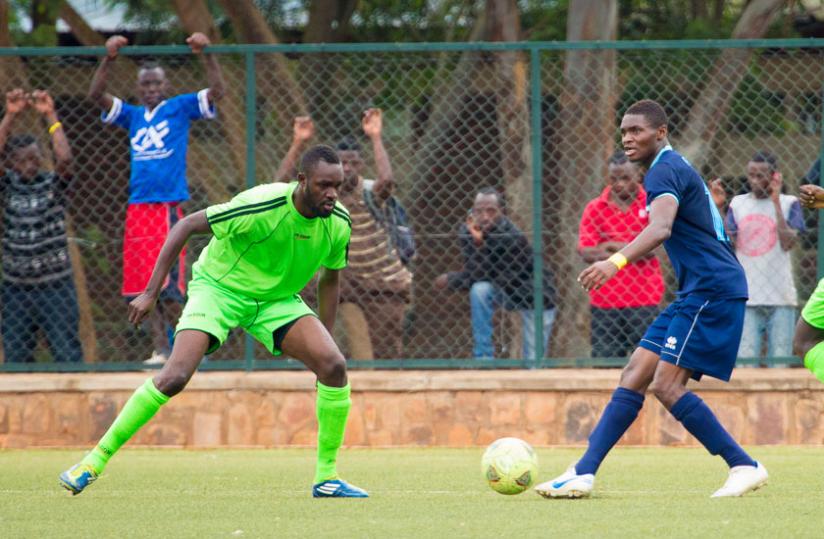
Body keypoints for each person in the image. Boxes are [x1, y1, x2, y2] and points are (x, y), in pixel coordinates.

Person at [59, 145, 368, 498]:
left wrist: (323, 336)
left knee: (333, 366)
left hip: (276, 300)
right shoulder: (262, 205)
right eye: (323, 185)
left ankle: (326, 478)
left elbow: (331, 279)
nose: (332, 194)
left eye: (337, 186)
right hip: (219, 289)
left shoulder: (339, 222)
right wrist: (151, 291)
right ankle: (92, 462)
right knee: (175, 376)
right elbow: (187, 225)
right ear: (302, 180)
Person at [535, 100, 767, 499]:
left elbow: (660, 229)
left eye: (636, 131)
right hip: (696, 291)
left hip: (712, 291)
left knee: (666, 385)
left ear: (660, 133)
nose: (627, 138)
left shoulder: (663, 170)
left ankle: (743, 465)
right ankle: (583, 472)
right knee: (634, 374)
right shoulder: (671, 167)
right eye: (624, 132)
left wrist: (614, 262)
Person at [89, 32, 225, 365]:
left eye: (156, 83)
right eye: (145, 84)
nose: (150, 89)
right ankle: (160, 349)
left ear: (166, 86)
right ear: (138, 88)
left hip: (168, 208)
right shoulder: (134, 115)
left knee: (172, 288)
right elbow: (96, 95)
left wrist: (206, 53)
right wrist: (108, 58)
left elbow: (218, 91)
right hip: (138, 208)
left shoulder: (178, 108)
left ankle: (188, 350)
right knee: (145, 284)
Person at [275, 111, 412, 359]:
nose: (348, 168)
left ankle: (386, 371)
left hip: (376, 276)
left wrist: (376, 136)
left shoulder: (368, 191)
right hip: (337, 273)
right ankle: (299, 355)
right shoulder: (318, 193)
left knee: (387, 349)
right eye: (343, 163)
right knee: (295, 289)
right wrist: (298, 142)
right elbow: (279, 186)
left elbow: (387, 181)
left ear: (361, 165)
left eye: (353, 163)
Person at [0, 88, 82, 363]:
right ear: (10, 163)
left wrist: (50, 115)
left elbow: (65, 160)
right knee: (16, 356)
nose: (30, 164)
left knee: (67, 354)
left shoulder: (52, 185)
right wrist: (10, 115)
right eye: (22, 160)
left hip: (55, 286)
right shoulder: (8, 186)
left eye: (35, 158)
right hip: (16, 288)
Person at [434, 188, 556, 360]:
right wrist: (477, 242)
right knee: (480, 290)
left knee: (534, 361)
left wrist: (453, 280)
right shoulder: (468, 231)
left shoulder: (511, 236)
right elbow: (476, 274)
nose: (484, 217)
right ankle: (483, 358)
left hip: (533, 294)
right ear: (472, 211)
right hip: (502, 290)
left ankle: (533, 367)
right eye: (479, 211)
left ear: (501, 212)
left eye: (491, 211)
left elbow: (498, 276)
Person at [578, 150, 664, 358]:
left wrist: (610, 246)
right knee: (605, 362)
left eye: (626, 178)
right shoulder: (595, 207)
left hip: (645, 298)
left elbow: (656, 248)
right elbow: (586, 251)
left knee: (647, 361)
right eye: (614, 179)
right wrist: (636, 247)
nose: (619, 184)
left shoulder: (652, 203)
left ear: (638, 175)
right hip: (604, 300)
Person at [723, 151, 804, 361]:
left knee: (780, 359)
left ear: (774, 176)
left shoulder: (790, 203)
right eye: (751, 175)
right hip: (747, 294)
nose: (754, 180)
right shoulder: (738, 203)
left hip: (781, 295)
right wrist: (718, 207)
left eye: (761, 175)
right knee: (745, 360)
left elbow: (788, 243)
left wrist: (775, 202)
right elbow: (727, 243)